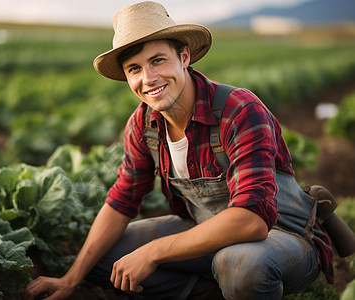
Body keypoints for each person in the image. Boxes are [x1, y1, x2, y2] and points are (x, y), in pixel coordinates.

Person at [26, 1, 336, 299]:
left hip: (281, 238)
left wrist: (153, 251)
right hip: (205, 232)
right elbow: (122, 200)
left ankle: (242, 286)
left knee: (241, 266)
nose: (148, 79)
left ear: (184, 57)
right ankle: (211, 294)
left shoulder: (239, 111)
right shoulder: (143, 125)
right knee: (102, 257)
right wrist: (71, 279)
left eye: (158, 60)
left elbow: (252, 221)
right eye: (135, 69)